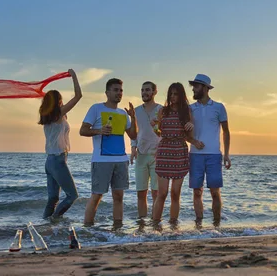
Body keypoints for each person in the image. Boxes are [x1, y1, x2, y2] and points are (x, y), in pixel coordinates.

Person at [79, 78, 138, 227]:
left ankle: (118, 229)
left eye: (121, 90)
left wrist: (133, 117)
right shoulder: (96, 108)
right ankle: (88, 229)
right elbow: (83, 130)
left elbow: (133, 135)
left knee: (119, 196)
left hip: (121, 160)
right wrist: (99, 130)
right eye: (115, 90)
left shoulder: (123, 113)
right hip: (101, 160)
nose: (119, 93)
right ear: (107, 92)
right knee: (97, 196)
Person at [151, 83, 204, 224]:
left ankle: (173, 224)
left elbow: (188, 136)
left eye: (176, 94)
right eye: (171, 94)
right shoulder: (163, 111)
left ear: (181, 95)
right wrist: (154, 127)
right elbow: (158, 132)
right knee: (162, 193)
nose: (173, 97)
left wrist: (193, 133)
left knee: (175, 193)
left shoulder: (186, 112)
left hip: (179, 152)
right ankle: (156, 224)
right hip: (164, 151)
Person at [39, 69, 82, 219]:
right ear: (58, 102)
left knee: (53, 198)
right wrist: (74, 76)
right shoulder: (57, 114)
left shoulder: (48, 116)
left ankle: (45, 226)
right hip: (58, 160)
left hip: (49, 161)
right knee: (72, 195)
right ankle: (54, 221)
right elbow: (78, 96)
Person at [188, 74, 231, 225]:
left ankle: (216, 225)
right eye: (193, 86)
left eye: (196, 86)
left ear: (206, 88)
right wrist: (193, 141)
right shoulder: (190, 108)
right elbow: (184, 132)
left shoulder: (219, 107)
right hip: (195, 155)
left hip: (214, 155)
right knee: (197, 191)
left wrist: (226, 154)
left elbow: (226, 131)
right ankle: (198, 225)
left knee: (215, 192)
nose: (193, 89)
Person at [130, 81, 162, 219]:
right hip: (141, 155)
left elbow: (165, 132)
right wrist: (133, 148)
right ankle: (142, 223)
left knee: (157, 193)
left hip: (157, 155)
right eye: (142, 90)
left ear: (155, 92)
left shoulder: (161, 109)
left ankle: (155, 222)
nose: (144, 93)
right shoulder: (136, 111)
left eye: (147, 90)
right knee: (141, 193)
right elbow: (134, 132)